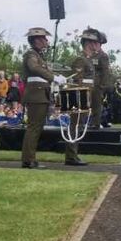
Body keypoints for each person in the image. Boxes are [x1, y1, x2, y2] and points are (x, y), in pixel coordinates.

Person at [20, 27, 67, 169]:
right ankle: (28, 160)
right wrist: (53, 77)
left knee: (36, 127)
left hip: (40, 94)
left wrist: (57, 77)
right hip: (36, 95)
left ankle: (30, 159)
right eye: (44, 38)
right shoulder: (31, 54)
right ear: (36, 40)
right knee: (34, 127)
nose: (46, 41)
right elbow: (34, 68)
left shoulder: (38, 55)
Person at [64, 28, 100, 166]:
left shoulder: (88, 60)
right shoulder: (81, 59)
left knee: (78, 126)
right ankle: (71, 157)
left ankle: (73, 155)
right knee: (75, 126)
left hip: (84, 94)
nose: (97, 45)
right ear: (88, 43)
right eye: (95, 42)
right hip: (77, 94)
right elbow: (76, 80)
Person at [91, 30, 112, 128]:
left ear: (100, 44)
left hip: (98, 84)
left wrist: (103, 85)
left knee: (97, 105)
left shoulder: (103, 56)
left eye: (95, 43)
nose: (93, 45)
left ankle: (96, 124)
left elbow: (105, 71)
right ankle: (90, 122)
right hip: (89, 84)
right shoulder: (90, 55)